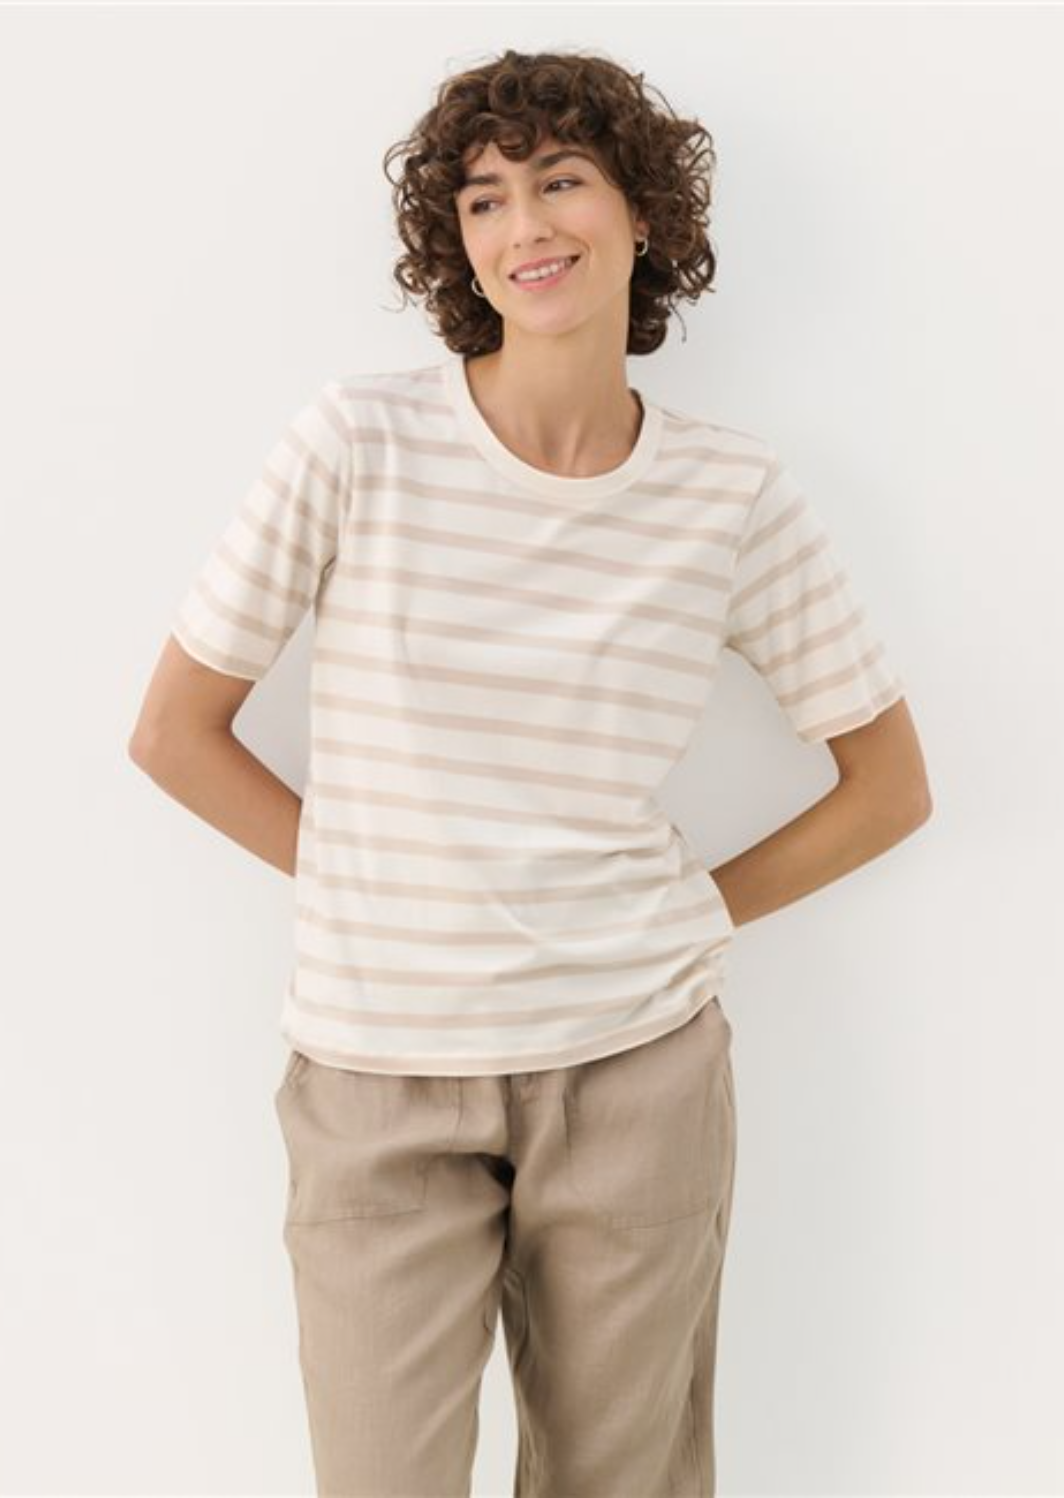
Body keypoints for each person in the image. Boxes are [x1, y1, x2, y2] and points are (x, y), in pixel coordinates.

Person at [128, 46, 932, 1498]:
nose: (525, 226)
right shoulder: (358, 440)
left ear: (641, 215)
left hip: (636, 1070)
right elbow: (175, 731)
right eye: (485, 199)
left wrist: (690, 911)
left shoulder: (730, 492)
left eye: (561, 181)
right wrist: (386, 884)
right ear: (457, 243)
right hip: (380, 1076)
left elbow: (888, 783)